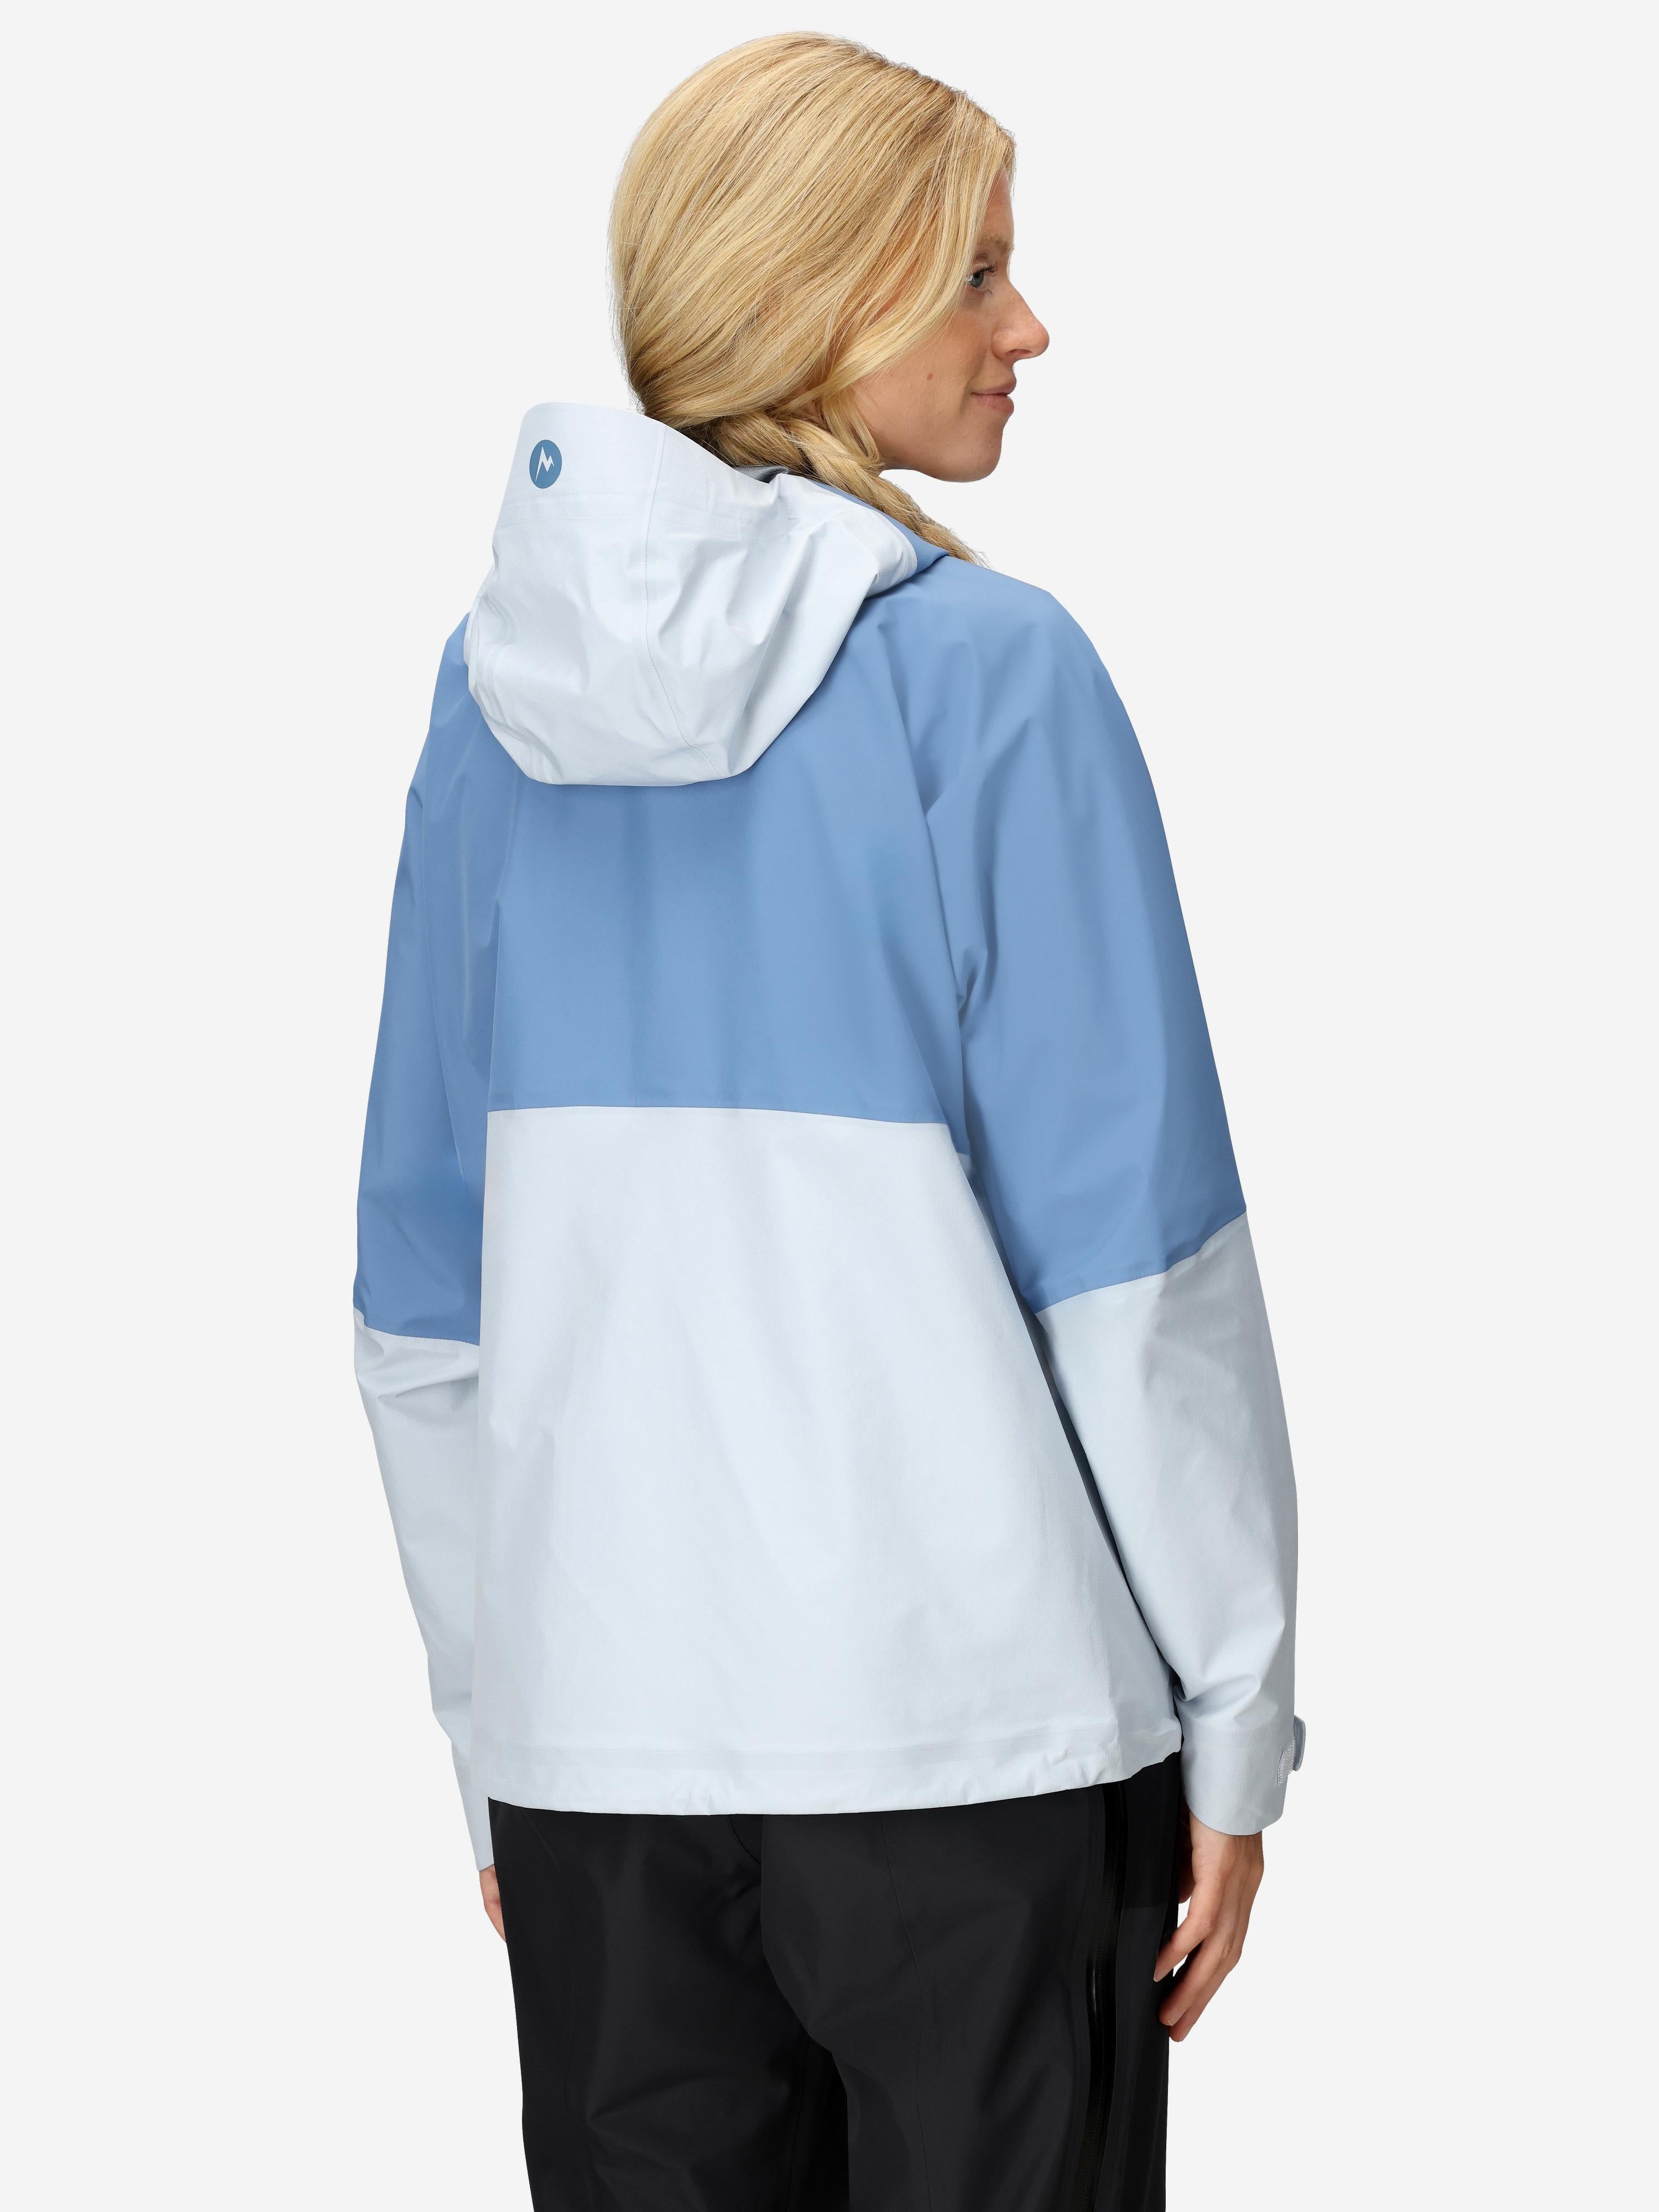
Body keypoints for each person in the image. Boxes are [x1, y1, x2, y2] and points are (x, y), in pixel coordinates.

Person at [354, 32, 1301, 2211]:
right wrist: (1240, 1725)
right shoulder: (994, 675)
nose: (1027, 327)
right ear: (814, 297)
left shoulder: (490, 705)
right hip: (977, 1745)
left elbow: (423, 1306)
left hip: (599, 1761)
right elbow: (1136, 1275)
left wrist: (496, 1740)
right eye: (973, 272)